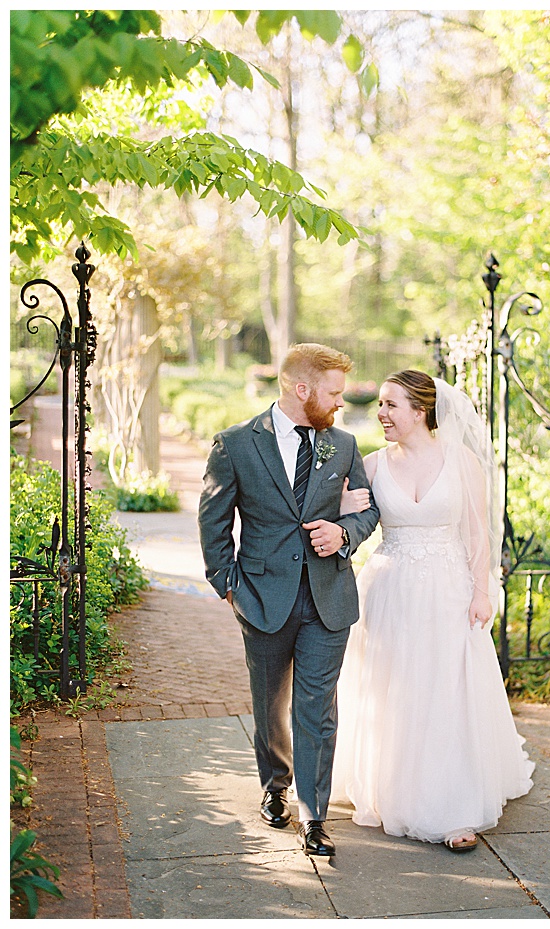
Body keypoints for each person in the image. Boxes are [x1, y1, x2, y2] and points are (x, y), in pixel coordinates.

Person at [332, 369, 533, 851]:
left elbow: (477, 531)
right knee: (393, 688)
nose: (380, 413)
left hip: (448, 589)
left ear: (419, 411)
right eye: (380, 405)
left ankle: (451, 808)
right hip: (389, 591)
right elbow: (350, 520)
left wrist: (482, 591)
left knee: (444, 690)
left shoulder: (460, 461)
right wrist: (341, 504)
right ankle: (388, 786)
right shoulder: (372, 464)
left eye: (389, 405)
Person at [198, 342, 382, 858]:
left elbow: (368, 511)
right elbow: (214, 521)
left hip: (329, 599)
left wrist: (342, 533)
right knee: (270, 705)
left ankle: (314, 814)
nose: (341, 402)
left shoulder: (342, 445)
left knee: (317, 708)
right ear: (303, 390)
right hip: (261, 598)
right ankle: (274, 783)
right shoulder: (235, 444)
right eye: (334, 392)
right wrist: (228, 584)